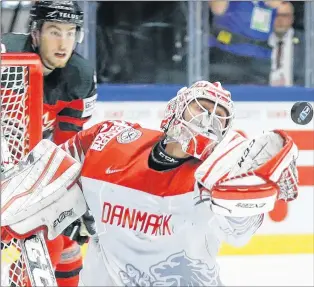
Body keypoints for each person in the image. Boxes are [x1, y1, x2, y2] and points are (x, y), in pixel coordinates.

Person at [1, 81, 299, 286]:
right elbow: (52, 170)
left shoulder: (217, 181)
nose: (209, 120)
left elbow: (238, 233)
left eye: (220, 117)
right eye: (202, 107)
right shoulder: (110, 140)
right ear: (175, 109)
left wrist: (257, 187)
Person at [1, 1, 97, 286]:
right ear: (35, 32)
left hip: (23, 175)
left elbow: (65, 154)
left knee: (61, 238)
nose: (63, 42)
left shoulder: (79, 77)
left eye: (71, 33)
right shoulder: (6, 57)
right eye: (55, 31)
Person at [209, 0, 282, 85]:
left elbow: (276, 4)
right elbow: (218, 9)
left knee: (256, 96)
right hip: (227, 53)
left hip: (260, 58)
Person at [268, 1, 305, 86]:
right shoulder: (259, 41)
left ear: (292, 18)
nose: (280, 20)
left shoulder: (306, 43)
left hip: (297, 96)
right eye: (276, 15)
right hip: (264, 96)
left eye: (284, 16)